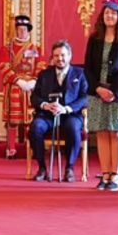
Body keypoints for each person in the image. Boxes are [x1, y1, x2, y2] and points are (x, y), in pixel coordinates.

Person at [84, 0, 118, 192]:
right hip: (97, 91)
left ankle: (116, 175)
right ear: (102, 16)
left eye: (113, 13)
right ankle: (105, 174)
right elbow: (88, 67)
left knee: (116, 132)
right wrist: (97, 88)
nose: (109, 16)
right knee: (102, 132)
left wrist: (113, 91)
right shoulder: (94, 38)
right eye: (106, 13)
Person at [28, 41, 88, 182]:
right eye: (56, 56)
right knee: (36, 127)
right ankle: (42, 168)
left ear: (69, 56)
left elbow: (85, 97)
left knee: (73, 127)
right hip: (47, 115)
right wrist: (45, 105)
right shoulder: (44, 74)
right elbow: (34, 97)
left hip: (70, 114)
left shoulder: (79, 73)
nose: (59, 59)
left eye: (63, 55)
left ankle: (69, 168)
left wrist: (66, 109)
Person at [0, 15, 47, 159]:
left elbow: (41, 66)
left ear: (29, 31)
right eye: (19, 29)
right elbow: (4, 68)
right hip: (14, 86)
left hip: (32, 88)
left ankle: (31, 148)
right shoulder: (6, 49)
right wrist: (19, 81)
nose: (22, 32)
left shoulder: (36, 49)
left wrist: (33, 81)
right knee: (13, 120)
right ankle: (11, 149)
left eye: (24, 29)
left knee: (31, 120)